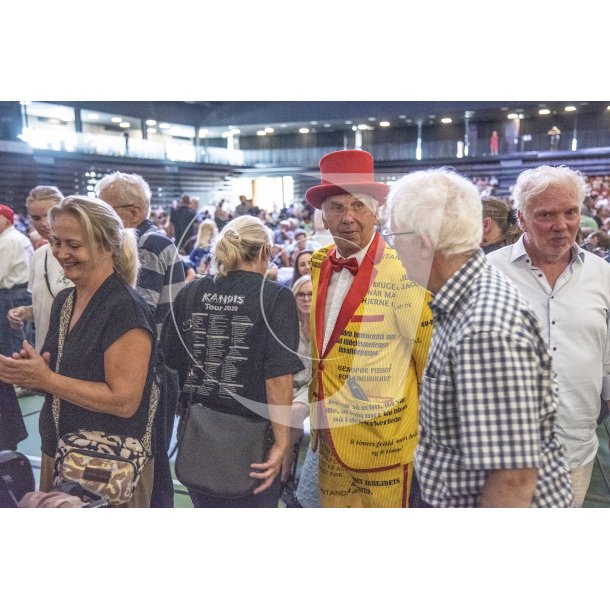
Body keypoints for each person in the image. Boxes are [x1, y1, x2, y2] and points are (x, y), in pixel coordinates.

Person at [385, 167, 574, 507]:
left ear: (421, 244)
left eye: (394, 237)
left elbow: (512, 479)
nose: (393, 251)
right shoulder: (468, 297)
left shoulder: (482, 330)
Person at [0, 196, 158, 508]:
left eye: (73, 244)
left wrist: (46, 379)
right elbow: (56, 372)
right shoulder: (67, 300)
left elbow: (124, 401)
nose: (60, 253)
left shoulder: (125, 309)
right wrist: (29, 372)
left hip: (108, 469)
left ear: (107, 246)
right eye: (56, 242)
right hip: (62, 451)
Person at [304, 149, 433, 508]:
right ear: (323, 218)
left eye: (358, 205)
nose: (348, 218)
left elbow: (427, 363)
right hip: (329, 437)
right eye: (336, 207)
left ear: (376, 211)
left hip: (385, 444)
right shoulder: (318, 264)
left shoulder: (406, 271)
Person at [488, 165, 610, 507]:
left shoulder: (603, 276)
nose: (562, 225)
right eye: (546, 215)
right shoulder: (485, 274)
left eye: (571, 212)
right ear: (521, 218)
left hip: (575, 449)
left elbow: (607, 356)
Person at [161, 215, 304, 508]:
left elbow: (172, 359)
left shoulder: (191, 293)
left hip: (199, 430)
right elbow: (277, 377)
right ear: (265, 251)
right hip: (253, 437)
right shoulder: (275, 298)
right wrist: (282, 443)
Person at [97, 171, 186, 508]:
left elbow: (136, 312)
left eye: (104, 209)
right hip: (157, 370)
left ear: (132, 213)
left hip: (153, 371)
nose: (98, 218)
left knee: (149, 463)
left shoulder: (144, 244)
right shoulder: (151, 241)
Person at [8, 186, 72, 353]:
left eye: (50, 214)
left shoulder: (80, 254)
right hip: (44, 347)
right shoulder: (39, 255)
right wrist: (25, 312)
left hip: (74, 348)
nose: (44, 223)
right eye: (36, 218)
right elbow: (45, 307)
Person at [280, 274, 313, 506]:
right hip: (290, 383)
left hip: (314, 386)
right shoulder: (286, 325)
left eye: (311, 294)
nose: (305, 298)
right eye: (301, 294)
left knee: (294, 412)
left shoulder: (326, 324)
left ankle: (283, 475)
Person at [0, 203, 34, 358]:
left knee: (10, 343)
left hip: (10, 295)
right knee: (22, 340)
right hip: (24, 291)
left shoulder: (6, 241)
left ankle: (12, 379)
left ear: (7, 220)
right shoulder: (20, 237)